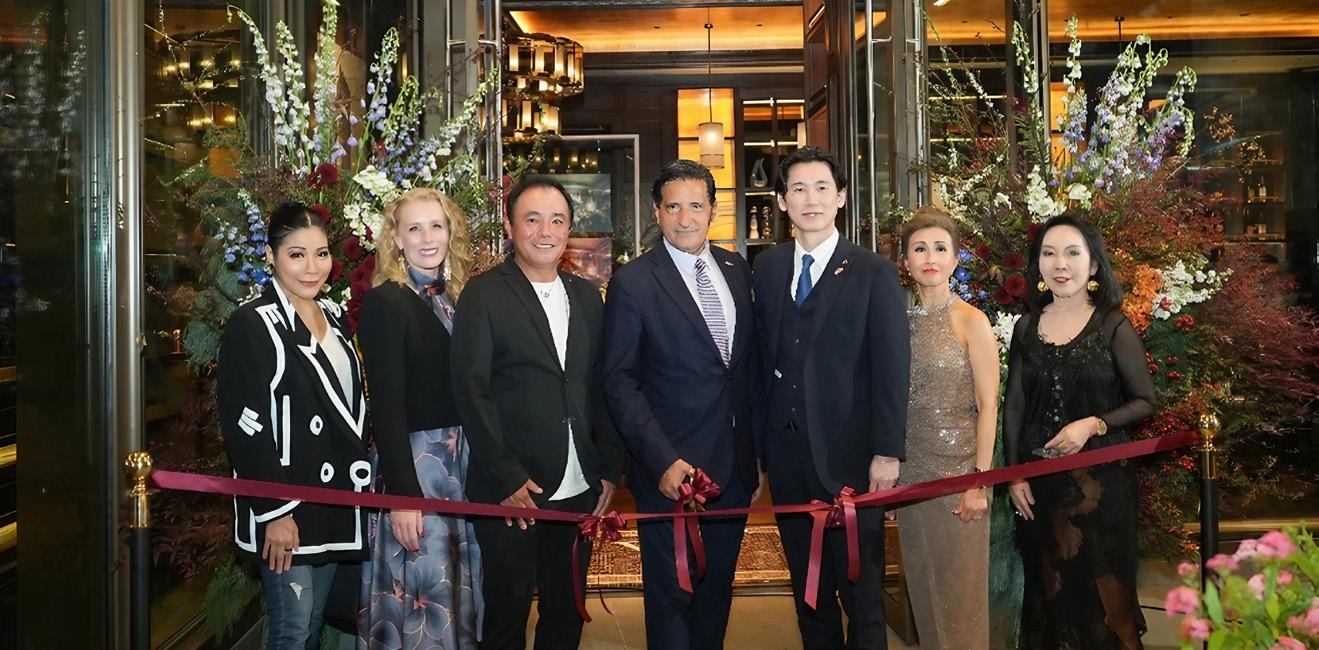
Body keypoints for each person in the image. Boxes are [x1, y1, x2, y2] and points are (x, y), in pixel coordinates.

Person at [450, 176, 625, 650]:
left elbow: (600, 386)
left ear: (569, 229)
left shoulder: (587, 296)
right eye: (532, 219)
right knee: (505, 618)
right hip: (514, 491)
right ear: (510, 227)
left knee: (566, 614)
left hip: (580, 487)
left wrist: (609, 469)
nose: (545, 231)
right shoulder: (484, 294)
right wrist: (505, 477)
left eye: (557, 220)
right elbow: (471, 391)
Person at [751, 147, 910, 649]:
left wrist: (888, 451)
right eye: (798, 189)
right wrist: (758, 453)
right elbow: (760, 361)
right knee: (809, 593)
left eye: (822, 187)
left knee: (862, 596)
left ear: (841, 197)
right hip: (787, 456)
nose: (810, 199)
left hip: (852, 457)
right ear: (782, 202)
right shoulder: (767, 268)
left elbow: (892, 367)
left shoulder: (872, 271)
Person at [601, 160, 760, 650]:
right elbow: (619, 381)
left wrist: (755, 460)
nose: (685, 218)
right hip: (672, 472)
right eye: (673, 207)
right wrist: (662, 460)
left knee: (716, 593)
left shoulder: (736, 269)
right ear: (657, 211)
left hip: (733, 471)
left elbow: (746, 372)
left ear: (714, 210)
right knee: (672, 597)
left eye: (695, 206)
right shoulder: (633, 282)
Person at [217, 202, 371, 650]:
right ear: (270, 255)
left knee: (312, 625)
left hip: (332, 501)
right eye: (296, 255)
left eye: (321, 254)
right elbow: (245, 429)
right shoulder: (254, 323)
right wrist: (276, 512)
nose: (312, 267)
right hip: (289, 506)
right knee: (292, 630)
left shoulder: (335, 318)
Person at [1003, 213, 1157, 649]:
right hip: (1040, 488)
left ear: (1092, 264)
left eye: (1072, 252)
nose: (1060, 263)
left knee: (1102, 605)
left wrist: (1093, 424)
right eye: (1049, 253)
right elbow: (1015, 405)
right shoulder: (1026, 328)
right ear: (1038, 265)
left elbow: (1145, 400)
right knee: (1048, 598)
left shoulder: (1112, 326)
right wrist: (1014, 476)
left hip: (1099, 489)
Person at [356, 189, 483, 649]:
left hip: (458, 466)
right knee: (422, 597)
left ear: (451, 232)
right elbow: (386, 405)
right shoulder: (386, 301)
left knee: (455, 592)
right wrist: (403, 497)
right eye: (414, 228)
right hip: (417, 467)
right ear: (396, 238)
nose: (427, 238)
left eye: (436, 226)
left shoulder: (456, 298)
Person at [895, 207, 997, 650]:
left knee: (961, 602)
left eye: (940, 248)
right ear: (906, 261)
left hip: (960, 482)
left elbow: (988, 407)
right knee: (925, 597)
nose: (930, 257)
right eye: (920, 249)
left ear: (956, 259)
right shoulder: (899, 324)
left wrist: (980, 483)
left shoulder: (972, 321)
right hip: (911, 482)